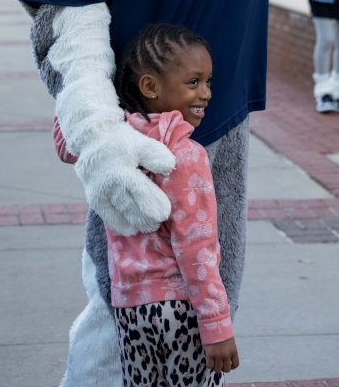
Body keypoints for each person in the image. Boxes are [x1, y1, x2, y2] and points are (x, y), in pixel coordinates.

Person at [54, 23, 239, 384]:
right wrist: (217, 326)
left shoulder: (114, 142)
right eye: (193, 82)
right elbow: (196, 248)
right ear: (151, 87)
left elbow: (68, 144)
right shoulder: (186, 155)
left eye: (208, 82)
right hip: (181, 311)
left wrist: (83, 91)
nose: (206, 93)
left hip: (130, 309)